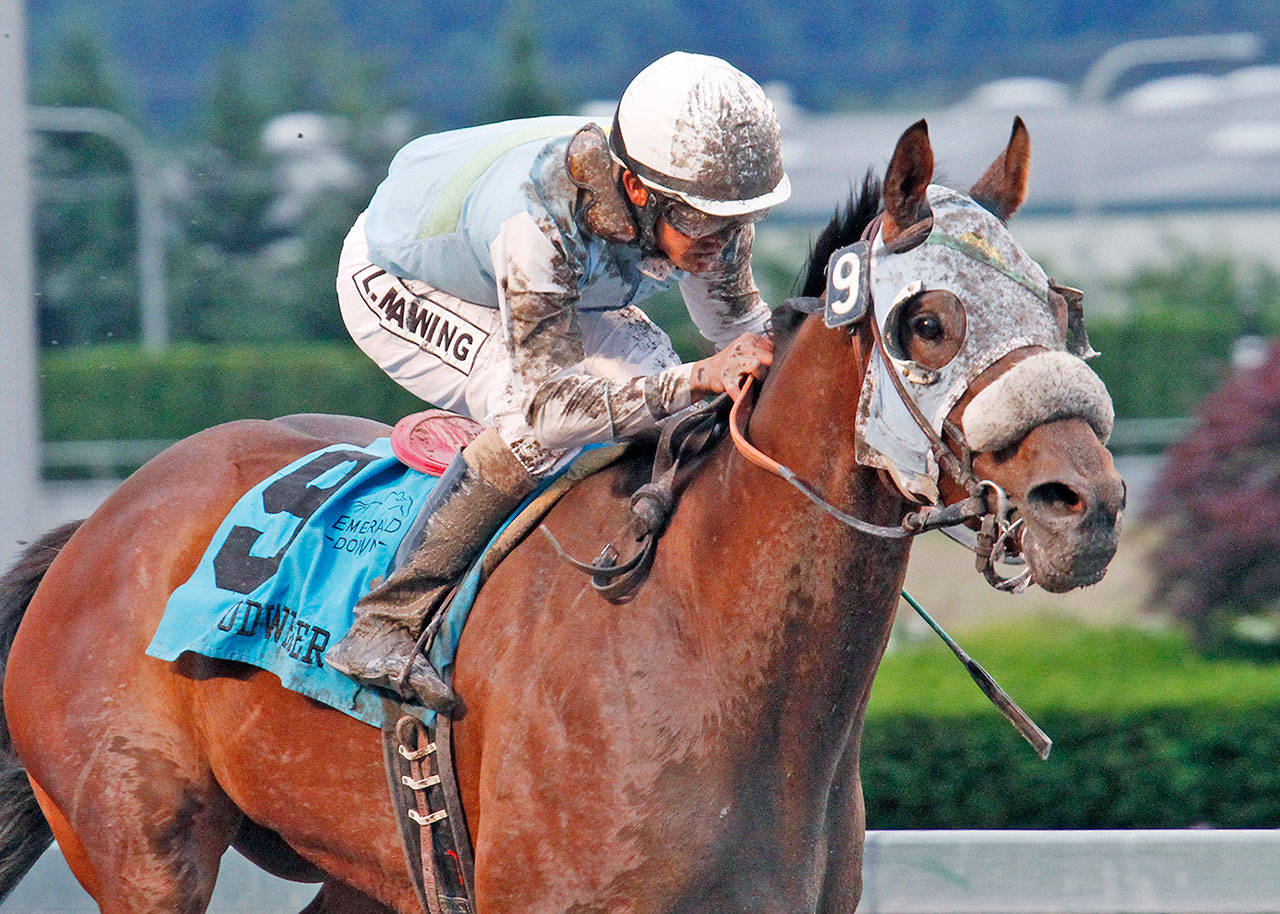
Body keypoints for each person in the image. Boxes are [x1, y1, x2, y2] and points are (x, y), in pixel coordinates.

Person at [327, 51, 790, 710]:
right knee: (536, 428)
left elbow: (744, 336)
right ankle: (387, 623)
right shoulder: (540, 222)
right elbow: (551, 410)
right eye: (701, 220)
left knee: (661, 386)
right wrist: (699, 377)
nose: (721, 240)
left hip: (541, 283)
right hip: (399, 279)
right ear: (638, 191)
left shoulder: (702, 203)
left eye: (739, 218)